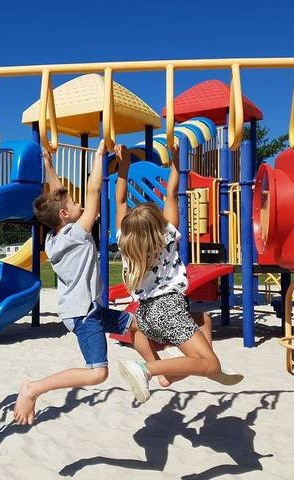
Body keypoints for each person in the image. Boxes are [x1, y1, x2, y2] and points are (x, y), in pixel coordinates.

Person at [14, 141, 138, 425]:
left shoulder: (54, 236)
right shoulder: (77, 235)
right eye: (73, 203)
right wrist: (98, 157)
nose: (80, 203)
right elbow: (94, 190)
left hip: (87, 307)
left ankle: (154, 370)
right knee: (97, 373)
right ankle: (33, 388)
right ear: (65, 216)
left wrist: (48, 165)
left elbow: (57, 194)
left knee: (137, 323)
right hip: (83, 314)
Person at [115, 145, 242, 403]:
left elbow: (118, 201)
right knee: (211, 365)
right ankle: (148, 370)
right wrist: (175, 162)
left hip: (145, 313)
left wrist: (123, 165)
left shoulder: (124, 241)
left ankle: (165, 372)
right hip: (168, 310)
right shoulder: (167, 237)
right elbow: (171, 193)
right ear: (159, 226)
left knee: (201, 318)